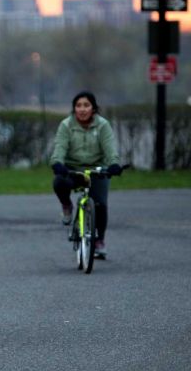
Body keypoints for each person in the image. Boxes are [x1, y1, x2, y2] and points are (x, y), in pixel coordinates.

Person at [50, 91, 121, 257]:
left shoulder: (103, 125)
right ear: (74, 109)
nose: (82, 109)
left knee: (101, 204)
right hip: (73, 169)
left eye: (86, 105)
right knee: (59, 183)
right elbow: (59, 147)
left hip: (97, 170)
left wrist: (114, 164)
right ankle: (67, 206)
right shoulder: (66, 125)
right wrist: (57, 162)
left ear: (94, 108)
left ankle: (99, 241)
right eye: (78, 106)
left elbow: (110, 148)